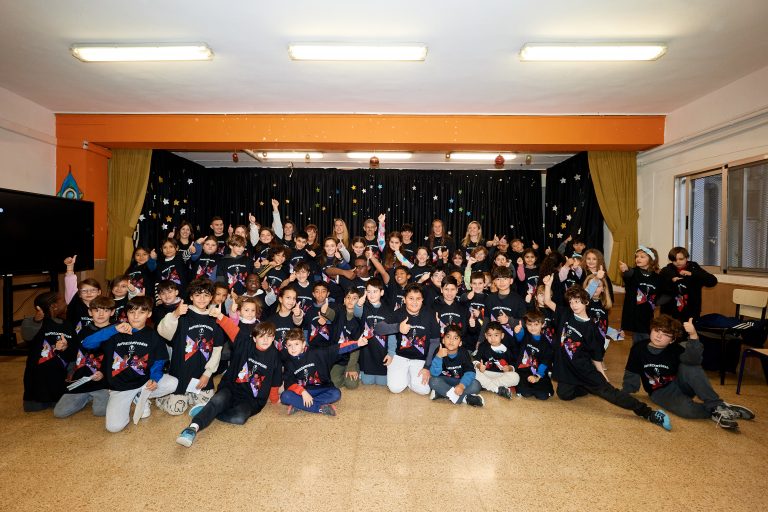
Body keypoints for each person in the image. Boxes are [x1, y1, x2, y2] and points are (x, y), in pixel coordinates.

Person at [546, 286, 672, 430]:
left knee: (610, 393)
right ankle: (585, 387)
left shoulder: (592, 328)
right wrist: (549, 283)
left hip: (584, 370)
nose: (574, 305)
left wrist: (602, 374)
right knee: (564, 395)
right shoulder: (566, 314)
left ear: (586, 302)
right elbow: (548, 301)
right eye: (571, 302)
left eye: (578, 301)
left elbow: (596, 355)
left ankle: (648, 413)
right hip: (568, 370)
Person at [622, 314, 754, 431]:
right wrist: (626, 391)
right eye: (657, 330)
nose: (659, 335)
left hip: (680, 384)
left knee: (690, 366)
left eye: (666, 334)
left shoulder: (675, 349)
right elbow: (631, 371)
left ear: (672, 340)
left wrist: (693, 335)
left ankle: (716, 404)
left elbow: (695, 360)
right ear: (651, 330)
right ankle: (718, 411)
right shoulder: (638, 349)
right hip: (660, 392)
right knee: (687, 411)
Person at [175, 321, 282, 447]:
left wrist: (274, 399)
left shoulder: (275, 355)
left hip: (251, 399)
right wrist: (220, 317)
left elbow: (276, 378)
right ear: (254, 338)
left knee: (239, 418)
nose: (265, 340)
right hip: (232, 388)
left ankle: (208, 410)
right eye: (261, 336)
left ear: (274, 338)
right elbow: (233, 330)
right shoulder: (245, 344)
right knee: (218, 400)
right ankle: (192, 428)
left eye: (269, 336)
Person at [81, 296, 178, 433]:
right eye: (132, 312)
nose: (136, 316)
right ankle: (135, 397)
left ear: (149, 314)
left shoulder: (153, 335)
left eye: (141, 312)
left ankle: (141, 396)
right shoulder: (115, 331)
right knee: (113, 428)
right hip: (120, 387)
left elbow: (159, 360)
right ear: (126, 313)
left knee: (173, 383)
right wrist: (113, 330)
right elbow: (87, 343)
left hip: (143, 382)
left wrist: (154, 378)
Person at [156, 279, 225, 415]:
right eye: (198, 295)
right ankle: (162, 398)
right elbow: (163, 332)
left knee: (206, 406)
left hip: (202, 376)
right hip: (181, 372)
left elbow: (217, 349)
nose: (202, 299)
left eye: (206, 295)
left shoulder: (214, 317)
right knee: (176, 410)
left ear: (211, 298)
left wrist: (207, 374)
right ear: (191, 297)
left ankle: (191, 394)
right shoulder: (182, 314)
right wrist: (175, 314)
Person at [280, 327, 368, 415]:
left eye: (296, 344)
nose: (293, 348)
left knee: (336, 394)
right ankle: (319, 408)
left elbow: (338, 349)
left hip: (322, 389)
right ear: (286, 346)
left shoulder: (317, 353)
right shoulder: (288, 363)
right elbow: (289, 383)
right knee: (285, 396)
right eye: (289, 345)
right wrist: (303, 392)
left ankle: (299, 404)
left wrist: (357, 343)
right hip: (303, 391)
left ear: (303, 344)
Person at [53, 296, 115, 418]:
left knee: (100, 412)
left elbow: (115, 359)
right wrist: (64, 348)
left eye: (106, 310)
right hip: (82, 379)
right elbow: (73, 355)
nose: (101, 314)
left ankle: (107, 394)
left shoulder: (116, 331)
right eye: (97, 310)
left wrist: (103, 373)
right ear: (90, 312)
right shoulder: (82, 331)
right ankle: (86, 397)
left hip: (104, 381)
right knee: (59, 412)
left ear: (112, 312)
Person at [374, 283, 441, 395]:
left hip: (420, 359)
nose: (414, 302)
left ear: (422, 300)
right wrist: (397, 327)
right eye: (411, 298)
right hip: (400, 356)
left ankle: (411, 377)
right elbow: (378, 329)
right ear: (404, 300)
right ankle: (403, 374)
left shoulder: (429, 315)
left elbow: (435, 342)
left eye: (418, 299)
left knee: (423, 390)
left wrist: (427, 367)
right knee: (395, 388)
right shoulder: (398, 313)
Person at [23, 292, 76, 412]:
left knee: (58, 405)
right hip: (35, 378)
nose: (66, 303)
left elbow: (74, 349)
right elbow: (27, 336)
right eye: (63, 301)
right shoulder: (30, 322)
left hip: (58, 377)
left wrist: (71, 369)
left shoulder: (67, 325)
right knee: (33, 408)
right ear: (54, 306)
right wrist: (36, 321)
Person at [429, 325, 484, 406]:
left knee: (476, 385)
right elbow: (434, 374)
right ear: (443, 340)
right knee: (433, 381)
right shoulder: (439, 351)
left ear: (460, 343)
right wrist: (438, 357)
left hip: (460, 381)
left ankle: (442, 394)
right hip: (445, 381)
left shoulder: (464, 353)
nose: (451, 340)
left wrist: (462, 385)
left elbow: (470, 372)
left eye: (455, 338)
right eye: (448, 337)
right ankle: (464, 398)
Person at [659, 246, 717, 322]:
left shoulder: (694, 268)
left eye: (681, 259)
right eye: (674, 260)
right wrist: (671, 278)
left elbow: (712, 281)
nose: (677, 262)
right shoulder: (668, 269)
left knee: (689, 332)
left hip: (691, 311)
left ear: (687, 258)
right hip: (670, 312)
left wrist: (692, 274)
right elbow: (662, 276)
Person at [620, 246, 662, 344]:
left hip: (647, 317)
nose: (638, 259)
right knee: (638, 343)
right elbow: (628, 276)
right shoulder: (633, 272)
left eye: (642, 257)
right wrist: (626, 270)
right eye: (637, 256)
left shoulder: (657, 277)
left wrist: (655, 302)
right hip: (634, 315)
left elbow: (663, 293)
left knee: (647, 341)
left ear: (651, 259)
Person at [354, 278, 391, 386]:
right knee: (367, 382)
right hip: (367, 353)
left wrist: (391, 353)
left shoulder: (388, 310)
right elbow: (357, 314)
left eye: (375, 291)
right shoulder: (363, 307)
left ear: (382, 292)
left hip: (382, 353)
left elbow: (392, 334)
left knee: (382, 383)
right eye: (369, 291)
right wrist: (359, 304)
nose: (372, 294)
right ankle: (361, 371)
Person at [472, 321, 519, 399]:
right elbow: (475, 361)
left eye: (496, 335)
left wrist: (509, 368)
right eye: (490, 335)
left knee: (516, 377)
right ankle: (497, 389)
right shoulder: (483, 346)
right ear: (486, 336)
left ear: (502, 335)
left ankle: (487, 385)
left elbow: (513, 364)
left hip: (501, 375)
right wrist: (479, 365)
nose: (493, 338)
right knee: (472, 372)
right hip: (486, 373)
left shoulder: (507, 348)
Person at [513, 311, 554, 400]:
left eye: (536, 324)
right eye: (529, 324)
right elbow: (519, 338)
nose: (532, 327)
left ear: (542, 325)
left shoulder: (546, 344)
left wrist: (537, 376)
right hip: (523, 371)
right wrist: (518, 332)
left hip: (539, 372)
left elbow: (545, 362)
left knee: (543, 396)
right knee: (526, 393)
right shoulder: (525, 335)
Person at [329, 288, 365, 390]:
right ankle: (342, 373)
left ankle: (351, 371)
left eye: (354, 298)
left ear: (359, 301)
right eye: (348, 297)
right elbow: (329, 314)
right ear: (344, 300)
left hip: (351, 358)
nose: (350, 300)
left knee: (352, 385)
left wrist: (351, 367)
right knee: (333, 384)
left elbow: (357, 345)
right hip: (338, 359)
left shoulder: (359, 320)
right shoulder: (338, 313)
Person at [62, 255, 102, 335]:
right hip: (75, 340)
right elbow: (70, 285)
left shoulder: (104, 306)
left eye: (93, 290)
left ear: (99, 292)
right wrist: (70, 267)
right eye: (84, 291)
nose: (89, 293)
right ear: (79, 294)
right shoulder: (74, 301)